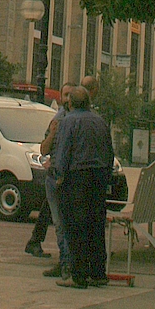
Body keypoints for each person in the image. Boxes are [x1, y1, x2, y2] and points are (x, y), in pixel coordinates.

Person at [53, 86, 113, 287]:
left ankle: (78, 275)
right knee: (96, 225)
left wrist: (59, 176)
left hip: (77, 177)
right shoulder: (100, 121)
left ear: (71, 103)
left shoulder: (68, 121)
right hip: (99, 177)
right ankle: (98, 272)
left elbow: (63, 151)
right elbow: (109, 152)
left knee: (76, 226)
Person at [25, 86, 73, 272]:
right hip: (57, 175)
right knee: (58, 218)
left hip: (61, 175)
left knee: (56, 214)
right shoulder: (58, 120)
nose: (68, 98)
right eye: (65, 94)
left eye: (71, 94)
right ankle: (65, 261)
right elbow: (43, 149)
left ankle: (39, 241)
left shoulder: (71, 119)